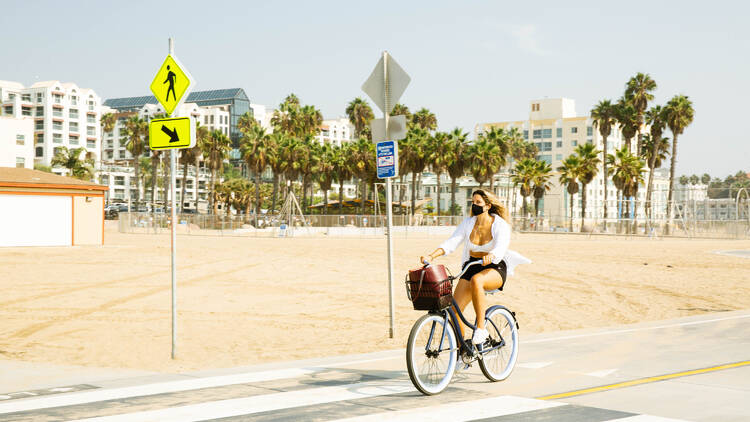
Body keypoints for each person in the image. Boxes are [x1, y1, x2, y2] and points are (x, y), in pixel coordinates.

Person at [420, 189, 530, 346]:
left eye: (478, 202)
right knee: (454, 312)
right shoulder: (468, 223)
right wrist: (431, 256)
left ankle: (481, 328)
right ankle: (462, 353)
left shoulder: (500, 224)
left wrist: (492, 255)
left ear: (487, 206)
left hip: (495, 266)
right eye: (473, 202)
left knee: (477, 280)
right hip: (472, 265)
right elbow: (451, 242)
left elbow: (501, 246)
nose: (474, 205)